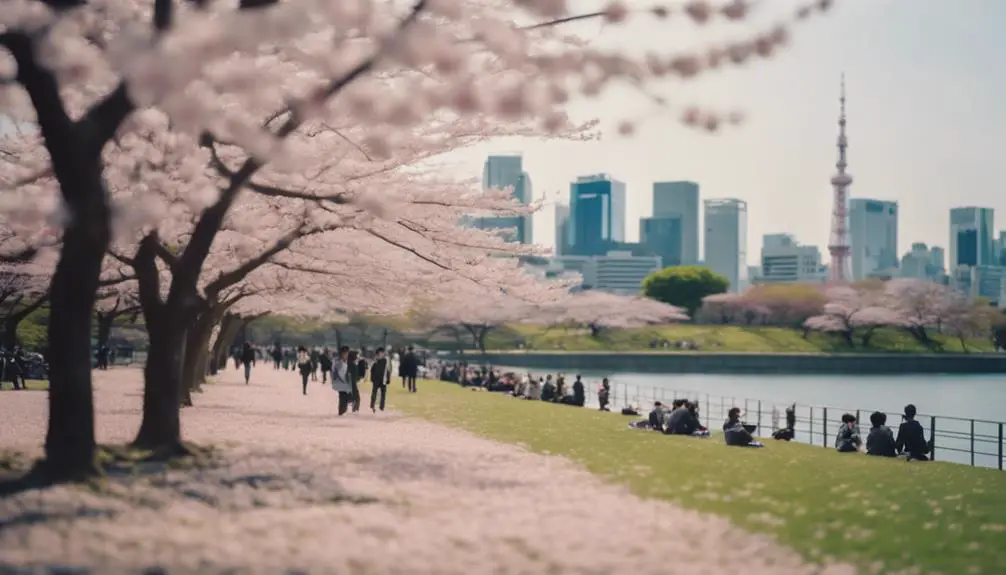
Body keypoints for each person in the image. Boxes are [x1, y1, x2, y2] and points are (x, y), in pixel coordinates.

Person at [331, 346, 353, 415]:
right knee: (343, 396)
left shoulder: (345, 361)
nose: (347, 355)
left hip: (344, 382)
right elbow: (336, 372)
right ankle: (342, 411)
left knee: (344, 396)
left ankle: (343, 410)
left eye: (347, 354)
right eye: (346, 354)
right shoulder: (338, 362)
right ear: (342, 354)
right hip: (340, 382)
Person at [370, 347, 391, 412]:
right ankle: (372, 405)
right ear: (378, 353)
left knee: (383, 393)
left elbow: (388, 370)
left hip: (383, 379)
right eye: (380, 353)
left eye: (382, 353)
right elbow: (372, 370)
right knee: (374, 393)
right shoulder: (375, 361)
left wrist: (388, 379)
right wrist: (372, 378)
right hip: (376, 379)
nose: (382, 354)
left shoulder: (386, 360)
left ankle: (382, 406)